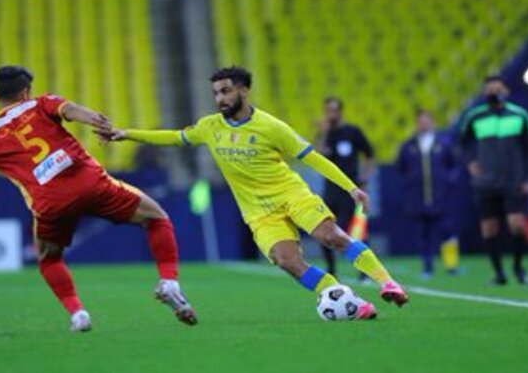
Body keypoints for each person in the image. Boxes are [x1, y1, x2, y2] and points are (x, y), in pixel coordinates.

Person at [0, 65, 198, 330]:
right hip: (89, 182)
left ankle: (78, 312)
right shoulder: (42, 103)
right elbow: (71, 110)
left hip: (50, 203)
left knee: (49, 259)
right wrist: (100, 122)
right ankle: (169, 280)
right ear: (25, 92)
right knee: (156, 218)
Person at [106, 66, 409, 319]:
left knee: (330, 236)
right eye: (216, 93)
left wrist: (352, 187)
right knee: (287, 260)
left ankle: (387, 282)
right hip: (258, 212)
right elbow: (175, 137)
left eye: (225, 91)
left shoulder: (271, 127)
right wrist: (127, 134)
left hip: (290, 194)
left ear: (243, 91)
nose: (219, 98)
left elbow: (312, 157)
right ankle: (350, 303)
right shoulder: (210, 126)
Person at [460, 75, 528, 285]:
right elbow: (463, 143)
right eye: (489, 90)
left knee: (517, 224)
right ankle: (499, 274)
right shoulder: (475, 117)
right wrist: (470, 162)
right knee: (489, 228)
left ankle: (518, 268)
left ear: (506, 91)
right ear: (485, 93)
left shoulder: (520, 115)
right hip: (485, 183)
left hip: (513, 180)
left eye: (497, 88)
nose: (493, 93)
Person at [315, 97, 374, 279]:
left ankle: (364, 270)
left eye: (334, 110)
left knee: (355, 231)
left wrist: (365, 177)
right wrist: (324, 133)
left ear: (340, 111)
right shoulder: (325, 133)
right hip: (330, 190)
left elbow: (369, 154)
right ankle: (332, 269)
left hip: (350, 190)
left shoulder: (352, 132)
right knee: (324, 228)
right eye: (328, 110)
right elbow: (318, 156)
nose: (330, 114)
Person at [397, 110, 460, 278]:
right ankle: (427, 266)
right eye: (421, 121)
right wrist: (410, 184)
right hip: (418, 198)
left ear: (432, 122)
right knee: (423, 234)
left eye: (427, 121)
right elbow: (401, 168)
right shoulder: (409, 145)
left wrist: (448, 181)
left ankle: (451, 265)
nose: (424, 124)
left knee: (447, 231)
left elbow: (454, 166)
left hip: (441, 197)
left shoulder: (444, 143)